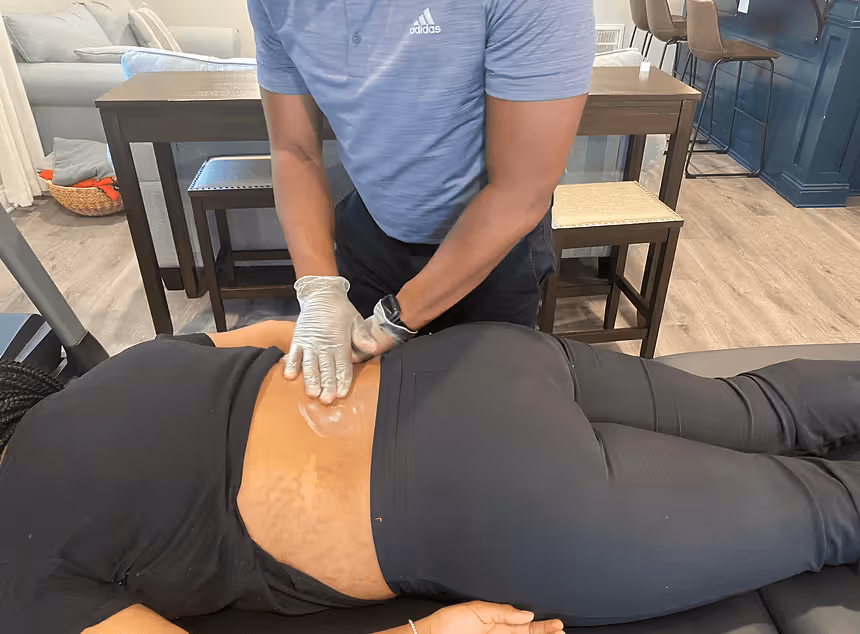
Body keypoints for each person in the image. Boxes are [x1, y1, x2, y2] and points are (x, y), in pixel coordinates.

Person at [2, 320, 860, 634]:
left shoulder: (15, 574)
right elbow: (279, 335)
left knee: (830, 510)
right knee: (761, 408)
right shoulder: (114, 372)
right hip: (482, 364)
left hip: (494, 506)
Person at [248, 0, 595, 403]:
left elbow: (521, 188)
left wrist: (393, 321)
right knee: (369, 410)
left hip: (494, 249)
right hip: (371, 231)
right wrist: (319, 288)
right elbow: (294, 151)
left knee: (486, 412)